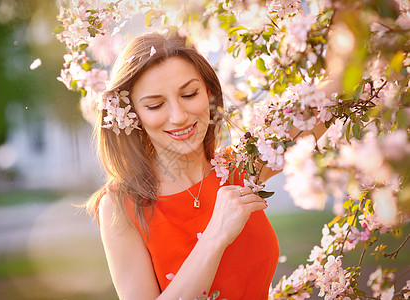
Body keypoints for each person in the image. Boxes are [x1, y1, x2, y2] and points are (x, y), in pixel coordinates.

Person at [86, 31, 281, 300]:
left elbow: (331, 96)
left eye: (189, 94)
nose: (178, 116)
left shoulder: (241, 166)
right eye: (155, 105)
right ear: (134, 116)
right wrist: (215, 236)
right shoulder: (121, 206)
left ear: (209, 93)